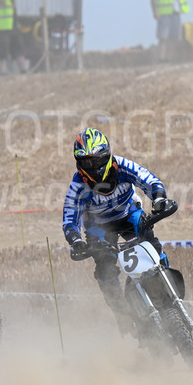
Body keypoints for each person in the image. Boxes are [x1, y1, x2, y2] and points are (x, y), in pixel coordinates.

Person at [62, 128, 169, 336]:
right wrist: (75, 240)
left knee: (153, 247)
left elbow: (149, 179)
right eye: (87, 162)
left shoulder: (122, 165)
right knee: (105, 269)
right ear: (79, 163)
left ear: (107, 155)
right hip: (99, 227)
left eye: (97, 160)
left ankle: (169, 287)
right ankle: (122, 313)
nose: (93, 167)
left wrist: (158, 198)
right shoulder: (77, 185)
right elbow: (69, 219)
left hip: (129, 213)